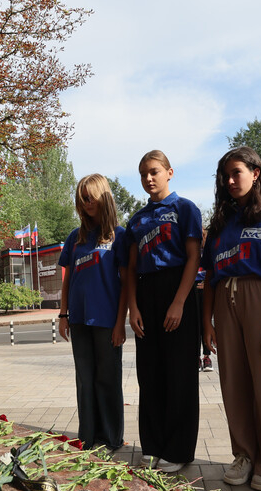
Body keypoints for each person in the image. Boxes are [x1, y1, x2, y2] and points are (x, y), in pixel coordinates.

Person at [201, 147, 261, 491]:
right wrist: (207, 322)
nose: (229, 181)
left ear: (255, 173)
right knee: (234, 384)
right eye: (224, 176)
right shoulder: (220, 226)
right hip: (225, 302)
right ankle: (243, 454)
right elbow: (210, 275)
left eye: (236, 172)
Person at [126, 150, 202, 473]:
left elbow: (194, 257)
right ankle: (153, 445)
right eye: (143, 173)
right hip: (146, 293)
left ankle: (179, 449)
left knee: (179, 373)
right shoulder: (137, 220)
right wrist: (133, 307)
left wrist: (179, 301)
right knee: (150, 372)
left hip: (178, 290)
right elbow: (129, 268)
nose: (149, 178)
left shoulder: (185, 209)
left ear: (169, 172)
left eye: (154, 171)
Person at [58, 174, 128, 451]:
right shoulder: (75, 238)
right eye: (81, 198)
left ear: (103, 197)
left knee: (107, 380)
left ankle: (111, 438)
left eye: (91, 196)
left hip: (107, 321)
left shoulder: (119, 236)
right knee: (85, 380)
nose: (86, 202)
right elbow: (67, 278)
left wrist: (120, 323)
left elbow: (125, 282)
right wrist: (63, 315)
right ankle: (87, 436)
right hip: (78, 320)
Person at [194, 264, 213, 372]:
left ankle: (207, 357)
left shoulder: (207, 249)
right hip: (192, 284)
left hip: (206, 284)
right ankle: (196, 357)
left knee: (205, 323)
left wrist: (208, 283)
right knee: (194, 324)